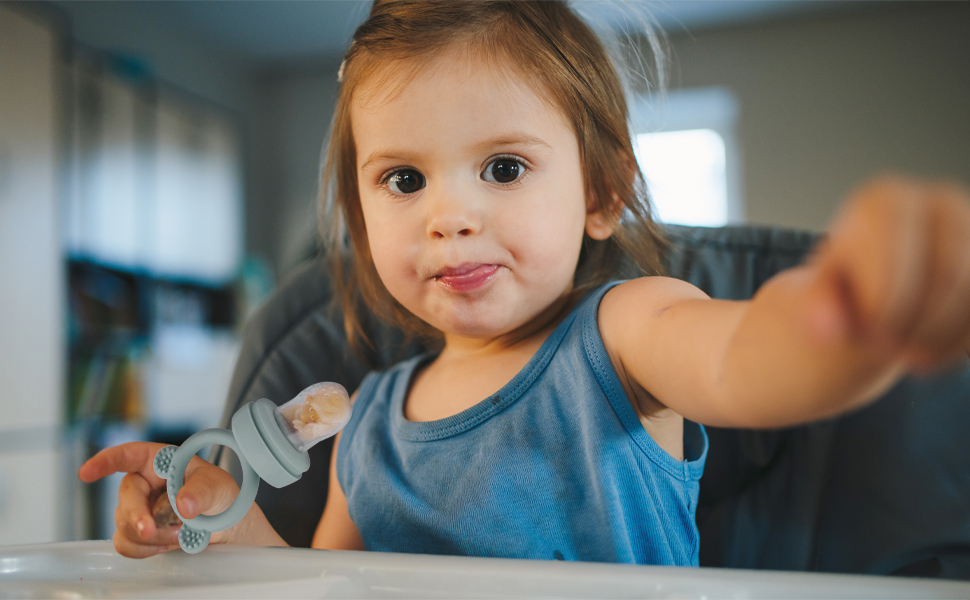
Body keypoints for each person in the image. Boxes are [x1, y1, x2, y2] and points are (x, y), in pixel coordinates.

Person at [79, 0, 970, 565]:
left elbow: (750, 359)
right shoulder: (366, 424)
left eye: (502, 169)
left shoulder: (627, 335)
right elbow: (324, 589)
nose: (449, 215)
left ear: (600, 191)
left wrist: (851, 316)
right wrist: (226, 530)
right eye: (403, 179)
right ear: (357, 213)